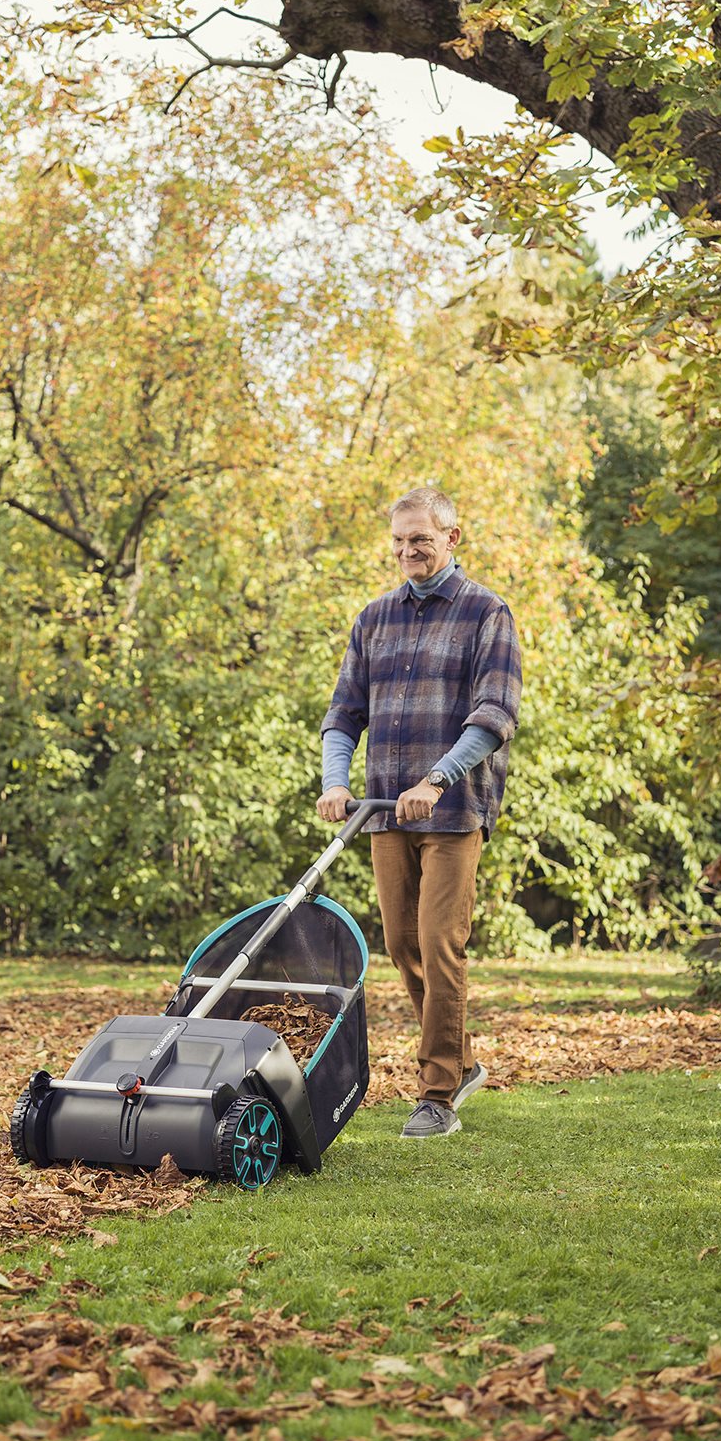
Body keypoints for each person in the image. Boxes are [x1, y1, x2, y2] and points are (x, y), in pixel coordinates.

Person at [317, 487, 522, 1139]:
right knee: (402, 944)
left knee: (439, 941)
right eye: (400, 541)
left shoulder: (487, 613)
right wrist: (334, 780)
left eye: (422, 541)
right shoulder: (374, 618)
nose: (408, 551)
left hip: (454, 807)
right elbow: (345, 713)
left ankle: (436, 1091)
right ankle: (460, 1062)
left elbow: (494, 716)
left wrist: (438, 778)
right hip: (383, 808)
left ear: (453, 537)